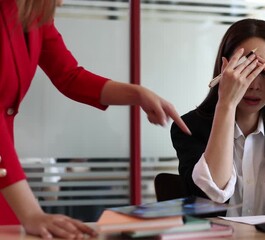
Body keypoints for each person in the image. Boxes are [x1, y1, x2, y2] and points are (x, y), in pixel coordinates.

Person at [0, 0, 191, 239]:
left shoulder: (36, 16)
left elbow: (69, 76)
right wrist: (32, 212)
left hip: (6, 174)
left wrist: (138, 94)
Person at [170, 19, 265, 217]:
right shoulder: (189, 127)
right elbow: (211, 195)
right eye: (247, 70)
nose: (254, 85)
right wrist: (226, 103)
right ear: (225, 69)